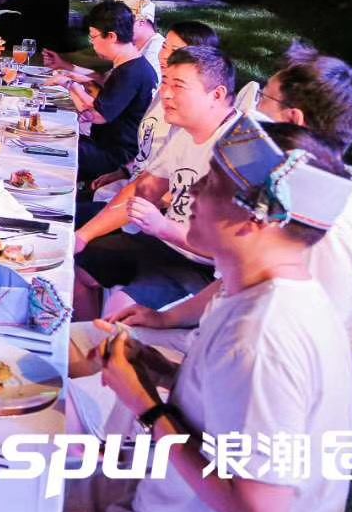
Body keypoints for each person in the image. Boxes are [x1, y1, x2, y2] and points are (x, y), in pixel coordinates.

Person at [69, 119, 352, 512]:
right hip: (151, 493)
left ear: (258, 218)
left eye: (213, 183)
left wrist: (146, 406)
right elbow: (226, 403)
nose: (191, 190)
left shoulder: (263, 338)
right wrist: (159, 370)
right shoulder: (255, 294)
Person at [113, 47, 352, 360]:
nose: (250, 110)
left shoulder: (320, 223)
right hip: (210, 339)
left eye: (263, 99)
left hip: (235, 361)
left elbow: (292, 352)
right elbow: (232, 280)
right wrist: (165, 319)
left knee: (95, 348)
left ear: (292, 120)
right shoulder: (294, 187)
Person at [73, 46, 237, 318]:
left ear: (216, 95)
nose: (166, 94)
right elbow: (143, 190)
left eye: (179, 86)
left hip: (203, 269)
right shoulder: (185, 130)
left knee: (122, 310)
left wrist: (163, 227)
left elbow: (229, 250)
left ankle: (107, 340)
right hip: (162, 243)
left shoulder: (237, 154)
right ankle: (81, 337)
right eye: (166, 83)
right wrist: (83, 236)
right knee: (73, 262)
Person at [87, 20, 220, 202]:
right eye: (164, 47)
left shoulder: (190, 113)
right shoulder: (163, 91)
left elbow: (174, 178)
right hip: (132, 182)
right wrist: (124, 172)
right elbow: (149, 150)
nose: (164, 56)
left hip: (147, 200)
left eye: (176, 51)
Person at [70, 0, 157, 183]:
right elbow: (108, 99)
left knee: (58, 151)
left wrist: (70, 85)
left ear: (111, 36)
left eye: (93, 37)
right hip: (106, 146)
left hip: (116, 156)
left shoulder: (131, 73)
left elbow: (97, 115)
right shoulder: (131, 65)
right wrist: (85, 83)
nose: (93, 44)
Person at [46, 0, 163, 88]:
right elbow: (106, 79)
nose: (117, 28)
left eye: (124, 22)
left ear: (142, 22)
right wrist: (65, 66)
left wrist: (71, 85)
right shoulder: (132, 47)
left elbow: (116, 91)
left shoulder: (156, 51)